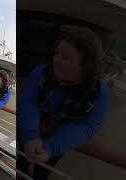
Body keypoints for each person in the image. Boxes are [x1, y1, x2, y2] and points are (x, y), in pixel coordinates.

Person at [18, 28, 110, 180]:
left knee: (42, 172)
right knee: (20, 163)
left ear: (85, 66)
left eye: (66, 58)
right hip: (26, 134)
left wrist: (50, 148)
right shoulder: (41, 73)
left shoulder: (99, 94)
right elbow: (28, 102)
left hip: (56, 145)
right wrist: (31, 135)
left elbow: (87, 127)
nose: (56, 60)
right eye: (57, 53)